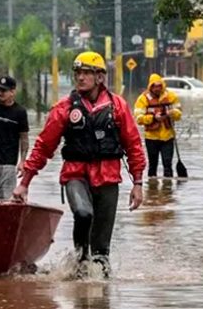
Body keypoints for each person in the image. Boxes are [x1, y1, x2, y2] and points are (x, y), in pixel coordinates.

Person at [12, 51, 146, 279]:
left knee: (102, 249)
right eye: (78, 73)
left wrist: (138, 183)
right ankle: (80, 261)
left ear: (100, 77)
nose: (80, 78)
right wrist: (24, 183)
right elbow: (44, 146)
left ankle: (100, 290)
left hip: (108, 177)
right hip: (76, 175)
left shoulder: (118, 107)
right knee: (83, 214)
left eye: (86, 73)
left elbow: (134, 145)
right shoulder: (64, 108)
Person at [134, 73, 182, 178]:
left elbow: (179, 115)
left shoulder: (170, 96)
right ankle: (152, 189)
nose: (157, 88)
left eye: (159, 86)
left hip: (168, 137)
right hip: (151, 138)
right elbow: (138, 119)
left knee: (167, 164)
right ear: (150, 86)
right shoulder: (143, 99)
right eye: (154, 86)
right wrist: (153, 118)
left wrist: (172, 113)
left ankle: (167, 190)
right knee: (152, 166)